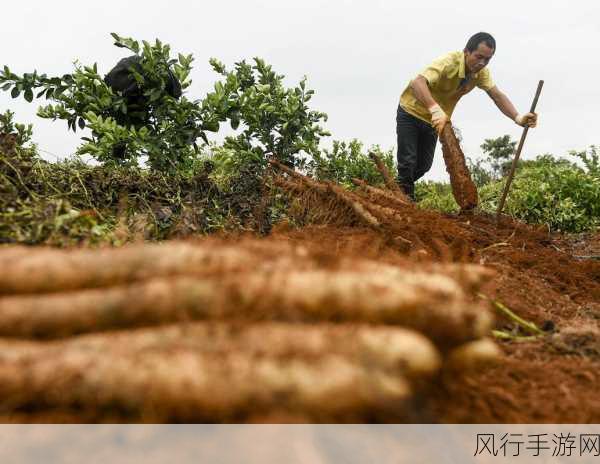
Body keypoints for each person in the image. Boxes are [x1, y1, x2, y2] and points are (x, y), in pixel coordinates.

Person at [396, 32, 538, 200]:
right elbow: (417, 83)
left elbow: (497, 95)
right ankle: (406, 204)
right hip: (411, 112)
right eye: (478, 57)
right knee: (408, 162)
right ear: (466, 51)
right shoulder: (448, 62)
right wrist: (434, 108)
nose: (482, 63)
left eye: (487, 59)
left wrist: (518, 118)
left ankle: (393, 190)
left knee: (423, 166)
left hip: (435, 122)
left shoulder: (481, 73)